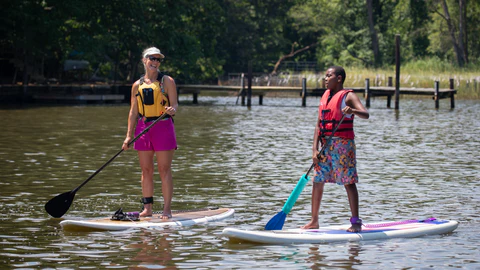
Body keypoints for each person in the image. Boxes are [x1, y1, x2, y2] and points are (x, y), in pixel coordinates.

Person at [302, 66, 369, 232]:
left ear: (339, 78)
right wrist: (314, 150)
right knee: (317, 180)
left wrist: (352, 110)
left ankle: (355, 222)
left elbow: (365, 114)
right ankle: (314, 221)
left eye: (329, 76)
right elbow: (318, 125)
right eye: (325, 76)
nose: (325, 79)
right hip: (325, 146)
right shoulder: (325, 96)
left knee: (348, 182)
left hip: (342, 145)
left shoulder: (349, 96)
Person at [122, 47, 178, 219]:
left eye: (158, 59)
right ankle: (147, 208)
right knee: (146, 170)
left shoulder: (167, 81)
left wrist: (171, 109)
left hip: (163, 126)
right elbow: (133, 112)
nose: (155, 62)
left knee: (164, 169)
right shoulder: (136, 85)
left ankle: (167, 209)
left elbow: (175, 105)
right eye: (152, 59)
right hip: (144, 128)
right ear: (144, 60)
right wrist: (128, 136)